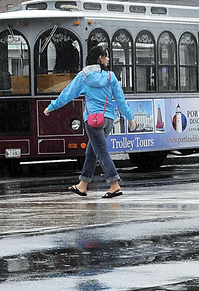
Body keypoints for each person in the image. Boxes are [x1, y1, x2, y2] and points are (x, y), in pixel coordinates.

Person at [44, 45, 136, 198]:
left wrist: (51, 107)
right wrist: (130, 117)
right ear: (99, 58)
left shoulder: (84, 76)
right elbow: (120, 100)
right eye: (106, 56)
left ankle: (114, 184)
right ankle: (83, 185)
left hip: (93, 120)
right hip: (108, 120)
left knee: (101, 152)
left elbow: (67, 94)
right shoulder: (111, 77)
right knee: (92, 152)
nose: (108, 59)